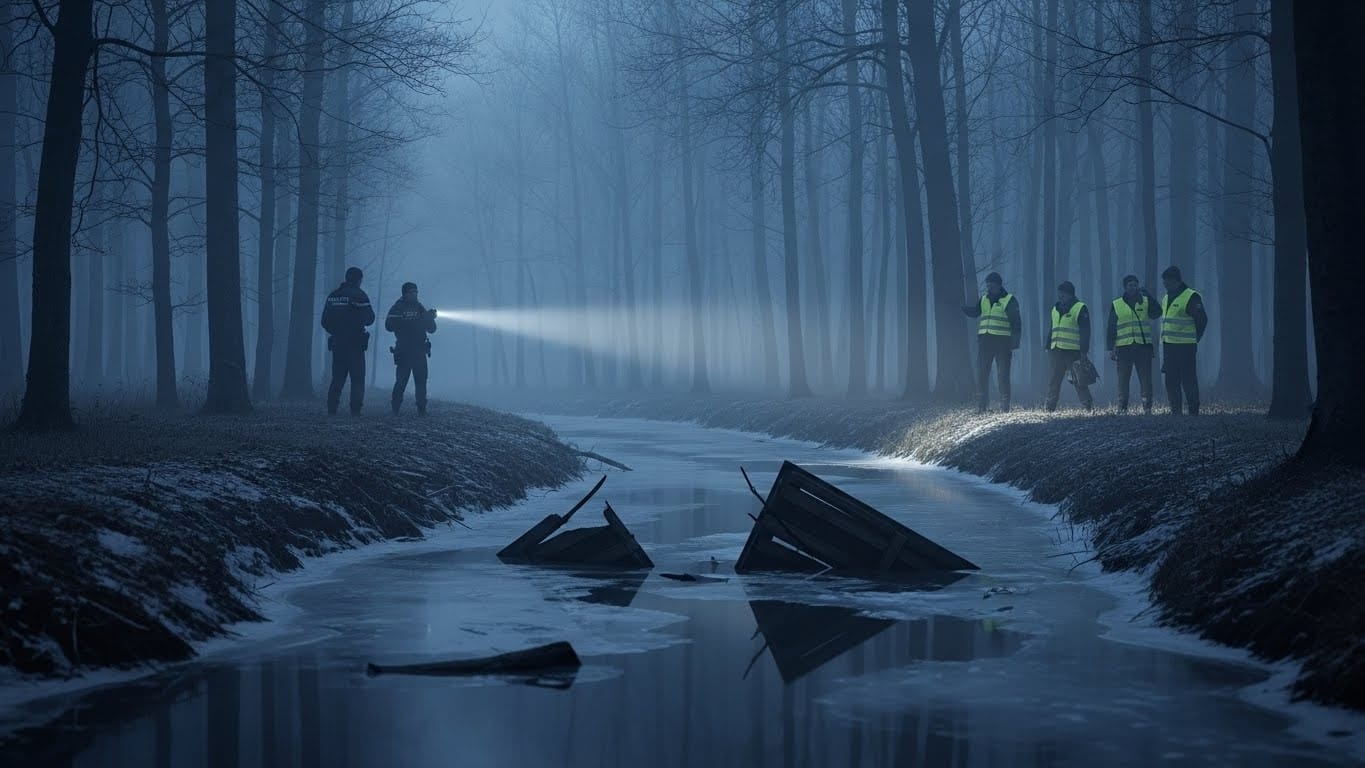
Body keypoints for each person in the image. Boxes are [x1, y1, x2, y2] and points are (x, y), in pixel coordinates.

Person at [961, 272, 1021, 413]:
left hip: (1003, 343)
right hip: (985, 342)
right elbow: (976, 312)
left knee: (1003, 374)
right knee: (982, 373)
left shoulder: (1009, 300)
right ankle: (982, 405)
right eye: (987, 285)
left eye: (991, 285)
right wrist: (963, 308)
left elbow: (1016, 322)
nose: (988, 288)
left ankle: (1005, 406)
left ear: (999, 285)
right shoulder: (984, 299)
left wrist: (1015, 343)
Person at [321, 266, 376, 416]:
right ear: (358, 280)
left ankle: (332, 410)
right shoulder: (360, 295)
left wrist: (336, 331)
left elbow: (324, 321)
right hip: (356, 344)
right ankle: (355, 411)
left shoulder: (333, 296)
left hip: (338, 344)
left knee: (337, 378)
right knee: (357, 379)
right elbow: (370, 319)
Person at [1106, 274, 1162, 414]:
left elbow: (1157, 313)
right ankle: (1122, 407)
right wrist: (1110, 348)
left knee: (1145, 378)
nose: (1133, 287)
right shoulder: (1116, 304)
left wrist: (1149, 296)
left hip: (1143, 347)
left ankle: (1147, 406)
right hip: (1123, 347)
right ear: (1125, 287)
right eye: (1130, 285)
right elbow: (1111, 327)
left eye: (1135, 285)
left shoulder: (1146, 301)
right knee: (1123, 379)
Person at [1159, 266, 1209, 415]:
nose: (1164, 284)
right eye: (1164, 281)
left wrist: (1195, 339)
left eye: (1166, 281)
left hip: (1186, 347)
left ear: (1176, 281)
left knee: (1188, 379)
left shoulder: (1191, 297)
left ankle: (1193, 411)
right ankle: (1176, 411)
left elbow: (1202, 320)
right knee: (1171, 380)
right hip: (1169, 346)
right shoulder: (1166, 297)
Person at [386, 281, 437, 415]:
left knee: (421, 381)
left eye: (416, 292)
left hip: (419, 350)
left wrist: (429, 318)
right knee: (401, 381)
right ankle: (395, 409)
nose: (415, 294)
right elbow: (388, 326)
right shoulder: (397, 307)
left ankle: (422, 409)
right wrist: (406, 321)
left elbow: (432, 329)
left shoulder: (420, 307)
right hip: (404, 350)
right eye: (412, 292)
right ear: (405, 293)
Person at [1044, 281, 1094, 412]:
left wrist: (1084, 351)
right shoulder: (1055, 308)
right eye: (1059, 294)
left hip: (1073, 351)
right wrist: (1048, 345)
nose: (1060, 297)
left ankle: (1087, 405)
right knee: (1054, 380)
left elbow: (1085, 331)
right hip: (1056, 350)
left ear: (1071, 294)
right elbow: (1052, 328)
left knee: (1079, 379)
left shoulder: (1080, 308)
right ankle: (1049, 408)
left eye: (1063, 294)